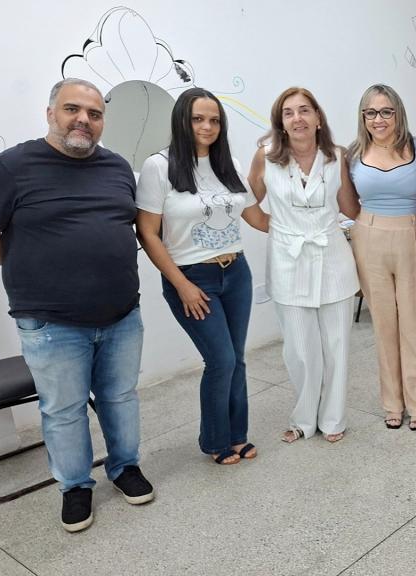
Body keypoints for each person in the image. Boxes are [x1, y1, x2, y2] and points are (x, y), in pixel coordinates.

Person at [0, 78, 154, 532]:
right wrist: (33, 266)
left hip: (122, 314)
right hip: (51, 323)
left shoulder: (117, 167)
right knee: (63, 409)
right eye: (72, 109)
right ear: (51, 113)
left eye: (94, 113)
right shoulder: (7, 169)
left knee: (120, 397)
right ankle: (75, 487)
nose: (83, 120)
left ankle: (124, 467)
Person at [135, 88, 270, 465]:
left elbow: (256, 217)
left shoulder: (229, 164)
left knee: (236, 359)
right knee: (221, 360)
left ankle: (238, 435)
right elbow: (147, 232)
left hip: (236, 272)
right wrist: (182, 285)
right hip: (192, 278)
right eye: (198, 119)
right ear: (182, 120)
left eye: (214, 120)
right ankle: (215, 441)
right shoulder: (159, 166)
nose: (207, 127)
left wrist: (307, 223)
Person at [248, 87, 360, 444]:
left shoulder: (336, 157)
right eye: (289, 112)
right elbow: (247, 203)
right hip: (288, 260)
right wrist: (278, 228)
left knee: (336, 346)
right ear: (280, 122)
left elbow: (350, 207)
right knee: (299, 349)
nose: (297, 118)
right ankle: (304, 419)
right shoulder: (266, 157)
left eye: (304, 110)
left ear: (318, 118)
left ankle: (333, 419)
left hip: (333, 259)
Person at [347, 84, 416, 431]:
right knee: (383, 325)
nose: (378, 119)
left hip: (413, 234)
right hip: (369, 236)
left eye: (386, 111)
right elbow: (347, 203)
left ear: (398, 112)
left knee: (414, 323)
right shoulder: (353, 154)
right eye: (370, 112)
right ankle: (392, 404)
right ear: (363, 117)